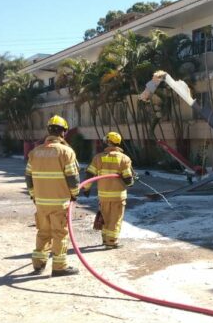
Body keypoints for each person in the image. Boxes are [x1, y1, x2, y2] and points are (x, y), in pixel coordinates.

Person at [25, 115, 80, 277]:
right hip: (60, 202)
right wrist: (75, 195)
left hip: (41, 203)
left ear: (48, 130)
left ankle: (38, 264)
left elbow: (28, 177)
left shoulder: (35, 152)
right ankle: (59, 267)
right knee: (60, 234)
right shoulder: (66, 151)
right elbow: (73, 178)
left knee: (43, 232)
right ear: (64, 132)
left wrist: (34, 196)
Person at [82, 132, 134, 249]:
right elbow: (128, 180)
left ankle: (105, 239)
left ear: (108, 142)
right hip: (118, 196)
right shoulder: (124, 159)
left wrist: (86, 188)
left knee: (105, 218)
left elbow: (90, 175)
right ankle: (111, 242)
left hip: (103, 196)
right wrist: (131, 182)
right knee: (115, 220)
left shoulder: (98, 158)